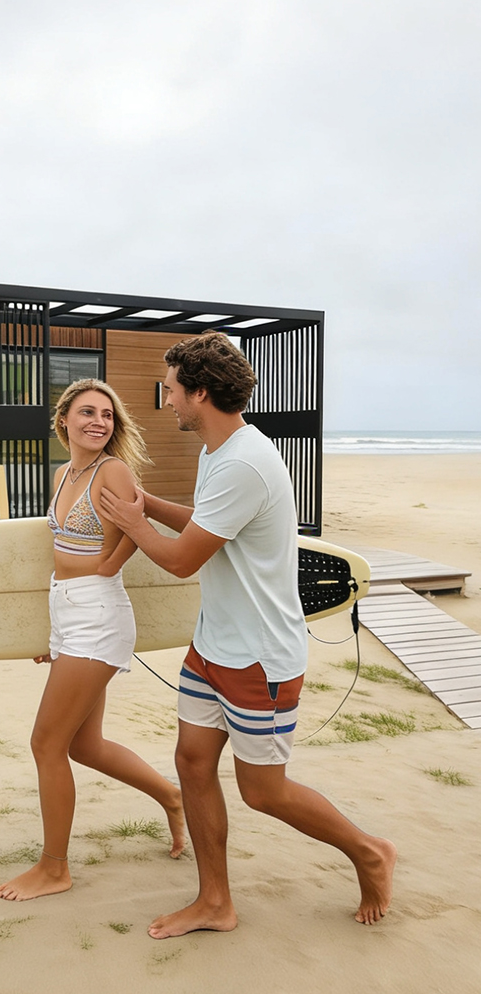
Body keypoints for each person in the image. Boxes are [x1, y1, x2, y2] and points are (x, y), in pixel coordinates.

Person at [99, 332, 396, 937]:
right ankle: (215, 901)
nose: (167, 399)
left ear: (199, 393)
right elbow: (209, 525)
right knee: (192, 762)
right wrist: (149, 505)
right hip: (212, 646)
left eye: (171, 389)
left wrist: (132, 521)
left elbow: (182, 559)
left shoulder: (242, 462)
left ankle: (370, 851)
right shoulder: (220, 450)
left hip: (259, 659)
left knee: (263, 791)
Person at [0, 379, 186, 902]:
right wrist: (53, 630)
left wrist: (107, 567)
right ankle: (171, 797)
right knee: (83, 745)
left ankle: (54, 868)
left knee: (46, 744)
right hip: (68, 611)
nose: (99, 422)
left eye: (107, 414)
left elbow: (133, 530)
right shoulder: (64, 474)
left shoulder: (114, 471)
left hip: (98, 615)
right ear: (64, 420)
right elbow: (58, 549)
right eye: (87, 412)